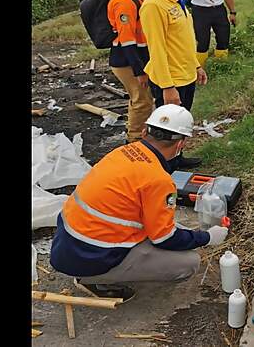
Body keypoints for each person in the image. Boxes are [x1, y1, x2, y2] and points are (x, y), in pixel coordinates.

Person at [49, 105, 229, 300]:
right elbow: (164, 238)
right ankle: (96, 280)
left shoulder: (122, 152)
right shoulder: (158, 179)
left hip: (68, 245)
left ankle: (94, 272)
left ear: (145, 131)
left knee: (175, 232)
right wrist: (207, 238)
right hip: (89, 257)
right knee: (189, 262)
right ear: (180, 144)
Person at [140, 0, 207, 169]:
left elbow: (183, 41)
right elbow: (156, 50)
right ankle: (163, 168)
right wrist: (168, 87)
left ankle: (176, 159)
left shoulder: (176, 0)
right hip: (170, 80)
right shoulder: (153, 5)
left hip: (185, 73)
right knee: (165, 130)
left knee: (179, 124)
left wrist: (196, 65)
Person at [107, 0, 154, 143]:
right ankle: (134, 140)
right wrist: (139, 70)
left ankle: (138, 132)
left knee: (139, 98)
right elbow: (127, 41)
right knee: (142, 100)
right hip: (127, 61)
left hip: (136, 58)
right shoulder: (124, 0)